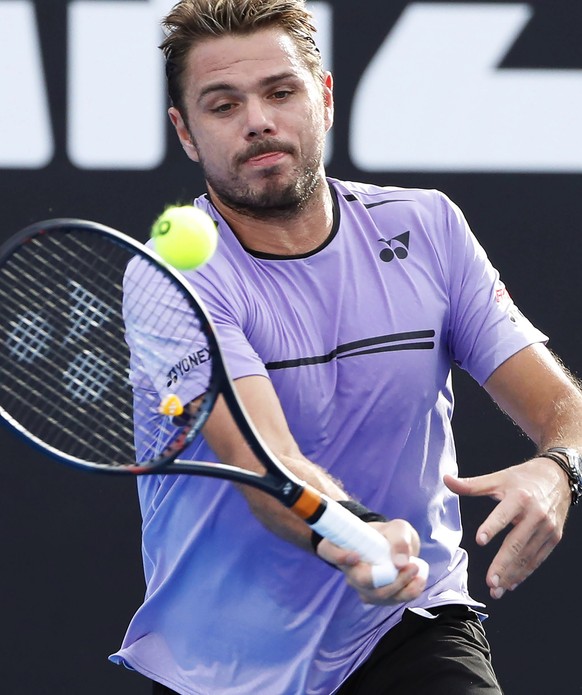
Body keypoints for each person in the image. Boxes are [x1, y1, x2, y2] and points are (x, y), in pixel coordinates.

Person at [110, 1, 582, 693]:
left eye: (281, 91)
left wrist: (558, 469)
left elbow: (564, 409)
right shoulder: (171, 274)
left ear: (323, 98)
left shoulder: (428, 228)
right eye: (222, 105)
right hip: (221, 668)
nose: (258, 121)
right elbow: (267, 464)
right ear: (185, 132)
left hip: (410, 629)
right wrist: (357, 530)